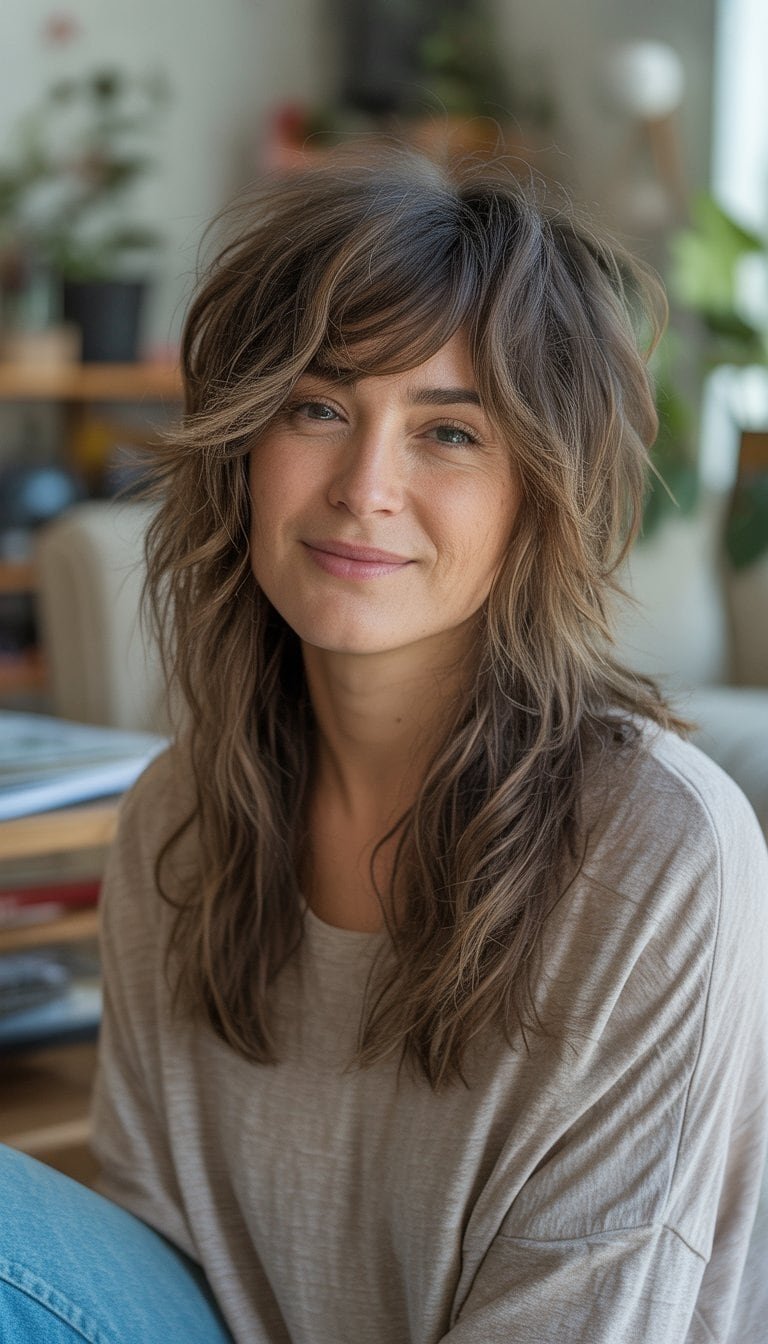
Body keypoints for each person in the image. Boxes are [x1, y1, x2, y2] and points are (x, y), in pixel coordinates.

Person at [2, 150, 767, 1343]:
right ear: (244, 448)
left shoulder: (660, 853)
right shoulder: (180, 817)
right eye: (317, 409)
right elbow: (144, 1264)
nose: (365, 487)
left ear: (540, 494)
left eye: (449, 432)